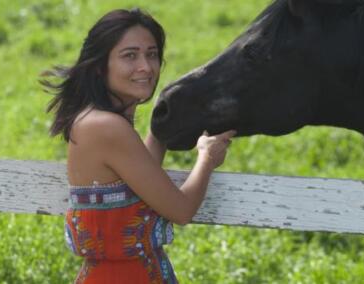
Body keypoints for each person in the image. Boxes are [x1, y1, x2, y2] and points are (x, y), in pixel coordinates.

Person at [41, 8, 235, 284]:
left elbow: (140, 182)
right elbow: (181, 210)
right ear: (100, 66)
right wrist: (207, 157)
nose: (145, 66)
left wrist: (163, 122)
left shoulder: (98, 121)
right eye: (129, 55)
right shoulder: (106, 126)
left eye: (152, 54)